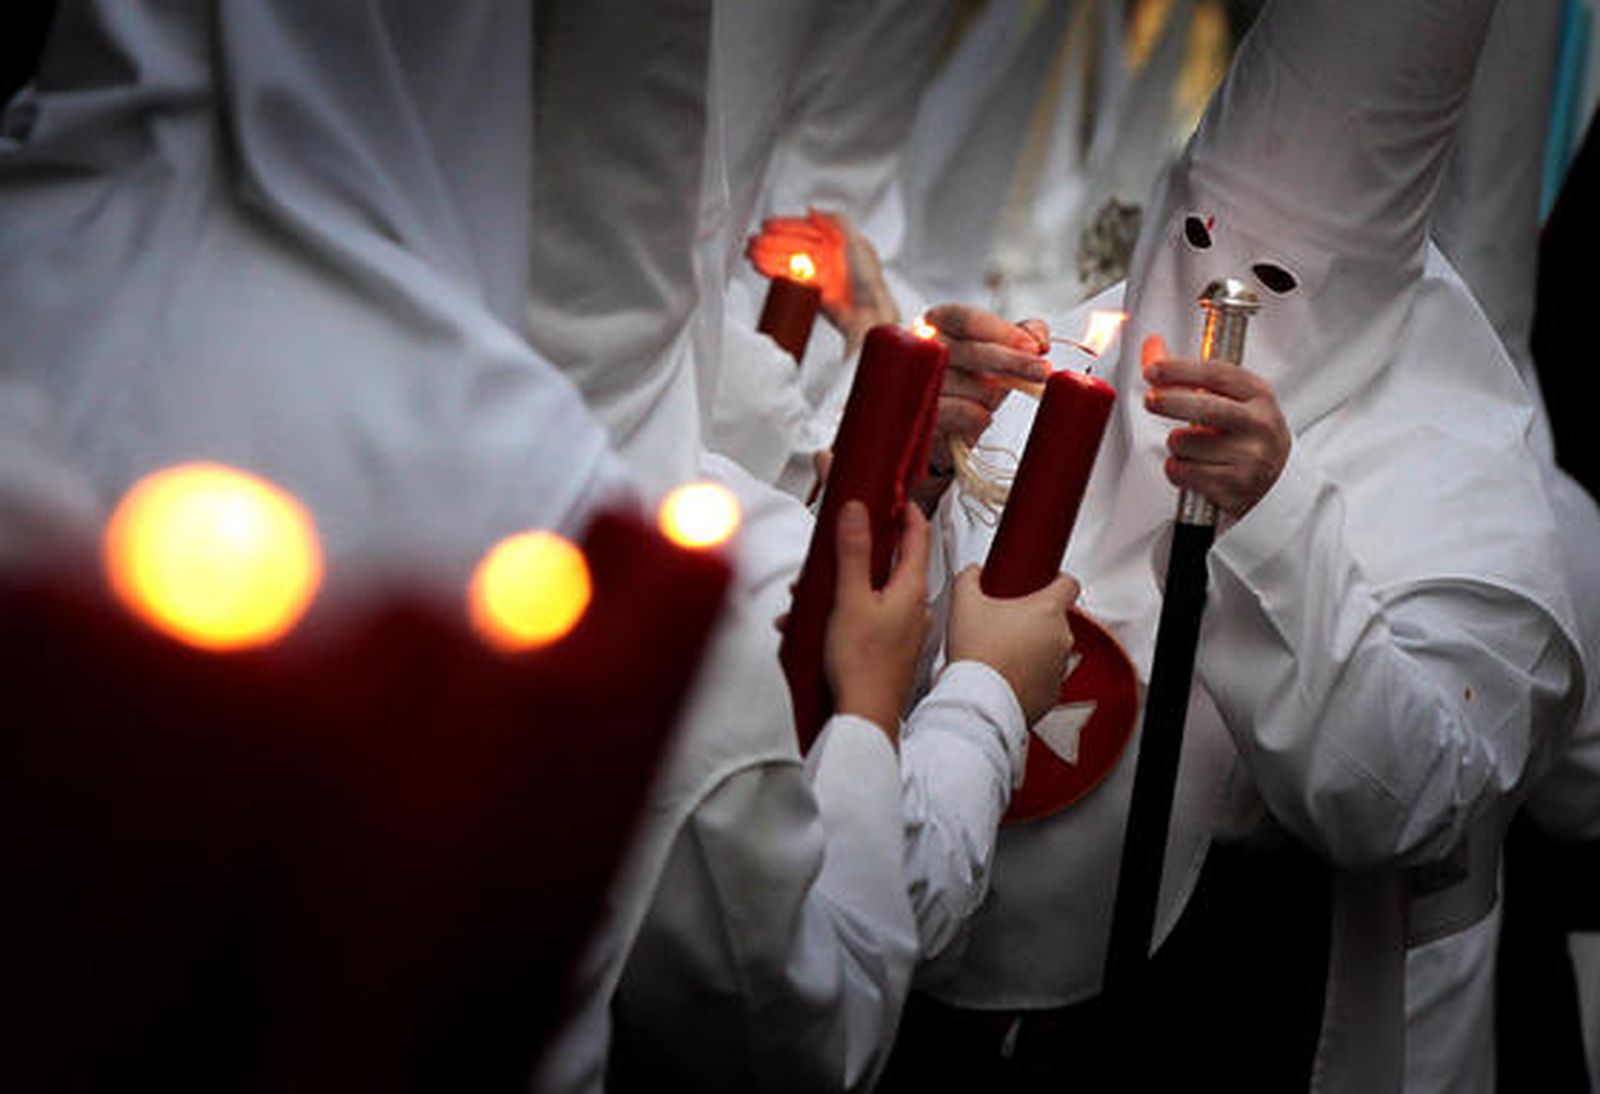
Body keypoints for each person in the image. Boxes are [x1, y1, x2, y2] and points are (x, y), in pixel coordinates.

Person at [883, 0, 1584, 1089]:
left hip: (1232, 999)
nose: (1224, 308)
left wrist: (1280, 516)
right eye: (1198, 236)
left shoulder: (1457, 478)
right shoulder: (1086, 349)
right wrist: (925, 467)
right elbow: (896, 654)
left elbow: (1407, 799)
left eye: (1287, 285)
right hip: (938, 967)